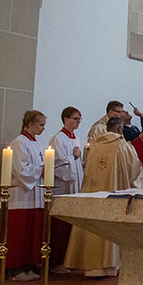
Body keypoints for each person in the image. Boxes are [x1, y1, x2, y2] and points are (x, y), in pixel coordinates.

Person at [64, 116, 143, 278]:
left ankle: (93, 268)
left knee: (95, 229)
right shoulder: (122, 146)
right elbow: (134, 170)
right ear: (120, 130)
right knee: (111, 228)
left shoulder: (94, 146)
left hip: (94, 196)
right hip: (114, 196)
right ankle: (110, 266)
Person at [6, 110, 47, 282]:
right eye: (41, 124)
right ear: (30, 124)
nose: (44, 128)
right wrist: (41, 170)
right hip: (21, 196)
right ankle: (15, 268)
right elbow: (21, 169)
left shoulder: (35, 143)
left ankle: (28, 265)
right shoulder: (19, 143)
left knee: (32, 231)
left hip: (34, 194)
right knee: (20, 232)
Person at [47, 106, 84, 272]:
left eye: (79, 119)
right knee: (60, 226)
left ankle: (69, 259)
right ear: (66, 119)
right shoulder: (58, 139)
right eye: (75, 118)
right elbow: (58, 164)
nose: (77, 122)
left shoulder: (75, 138)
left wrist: (79, 160)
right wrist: (75, 156)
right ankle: (57, 262)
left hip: (74, 187)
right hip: (62, 188)